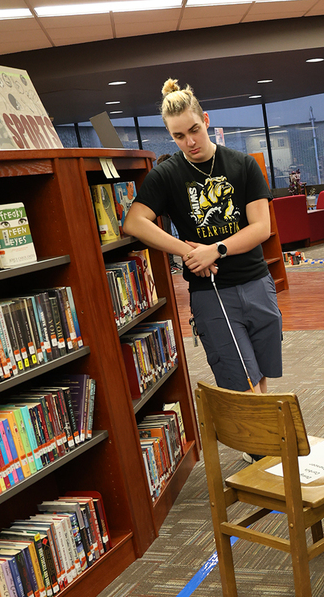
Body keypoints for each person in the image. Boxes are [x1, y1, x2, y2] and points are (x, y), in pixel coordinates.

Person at [124, 79, 282, 394]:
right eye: (178, 136)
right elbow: (134, 222)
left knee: (260, 374)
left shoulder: (243, 165)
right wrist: (188, 251)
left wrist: (216, 249)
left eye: (194, 130)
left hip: (256, 282)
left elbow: (261, 227)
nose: (189, 142)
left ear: (205, 120)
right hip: (212, 292)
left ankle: (264, 439)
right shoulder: (166, 175)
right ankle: (260, 443)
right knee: (241, 381)